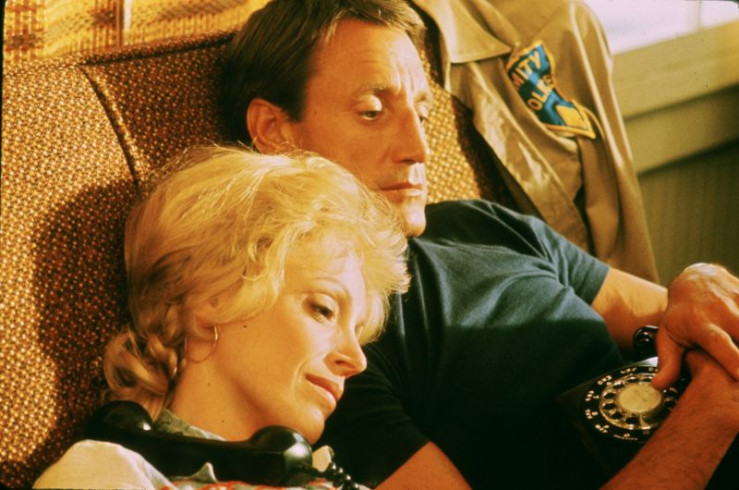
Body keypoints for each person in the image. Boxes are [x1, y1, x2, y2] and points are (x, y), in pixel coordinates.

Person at [220, 1, 739, 488]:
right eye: (373, 111)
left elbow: (688, 315)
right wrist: (719, 405)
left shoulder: (478, 223)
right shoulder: (325, 349)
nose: (419, 148)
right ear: (274, 130)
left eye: (422, 114)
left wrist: (699, 279)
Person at [33, 146, 409, 489]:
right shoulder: (105, 474)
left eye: (356, 332)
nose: (356, 360)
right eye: (324, 310)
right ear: (211, 298)